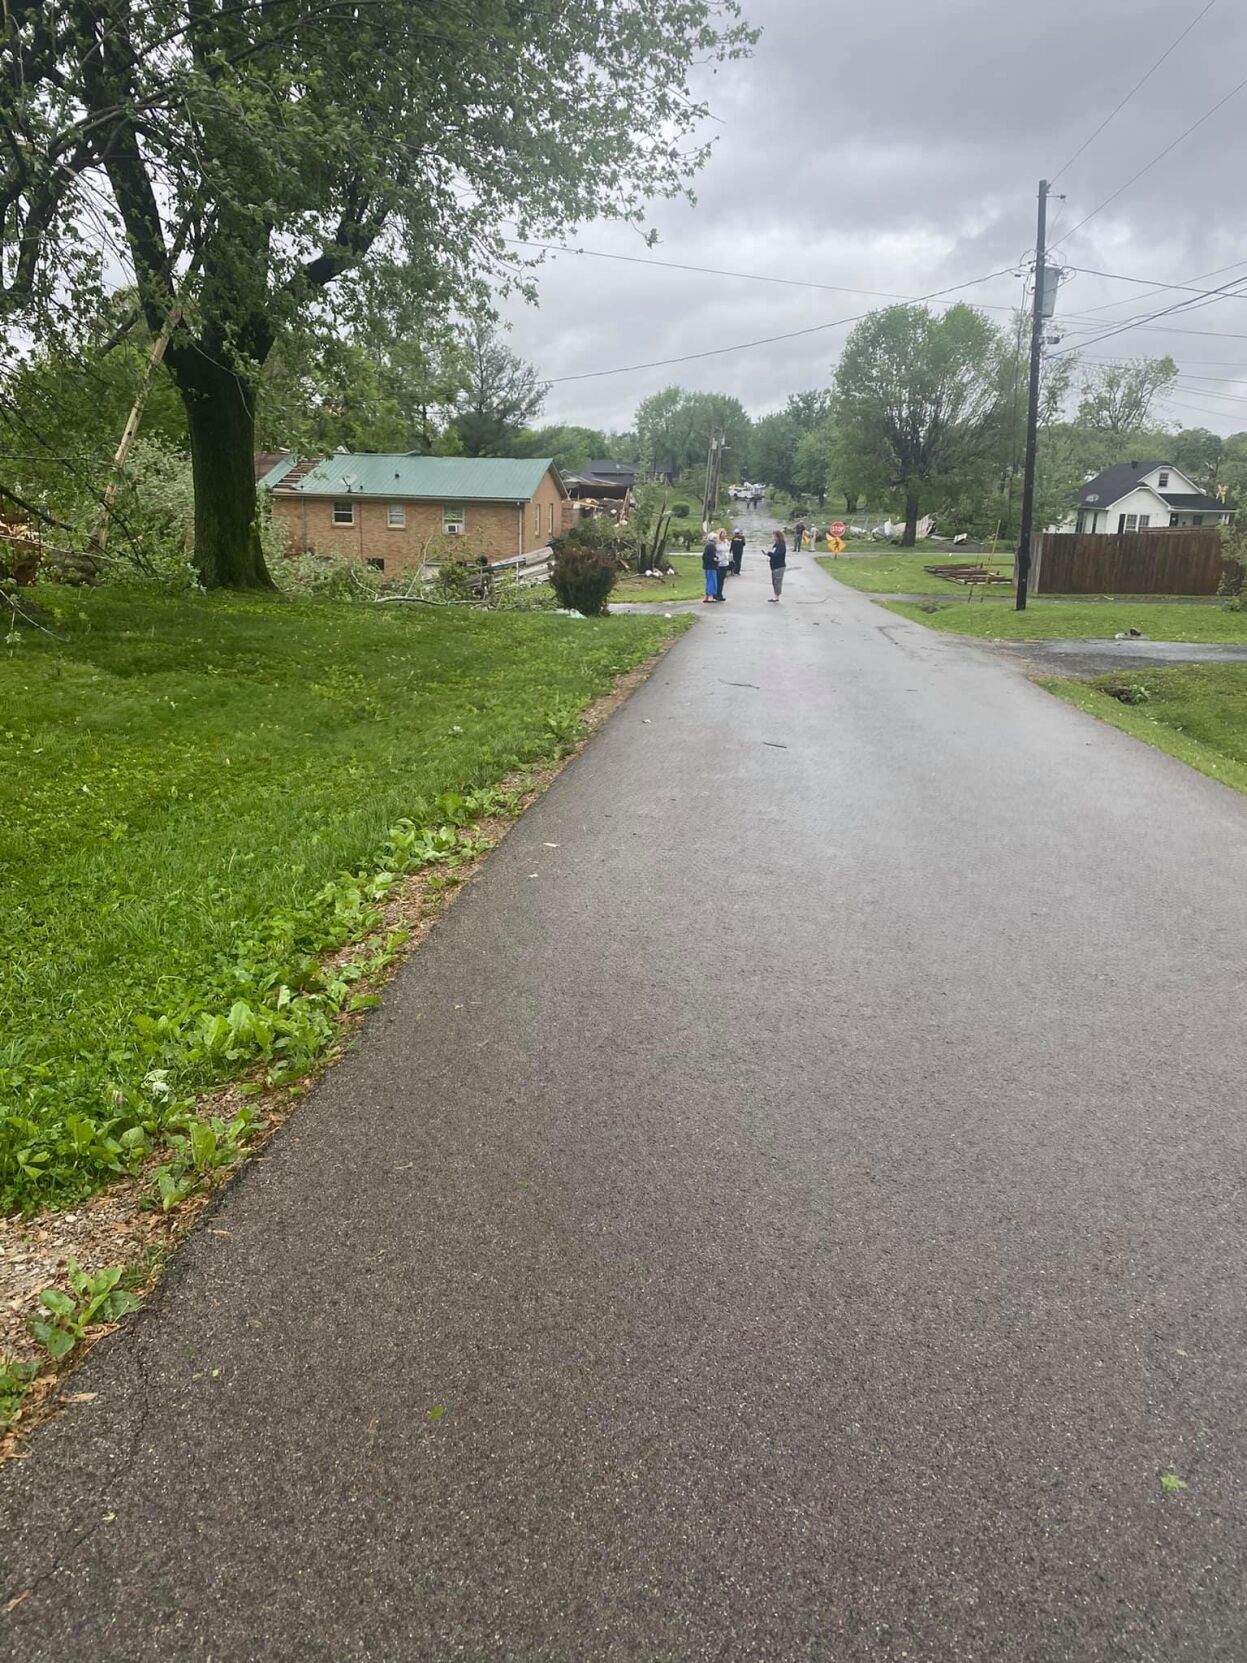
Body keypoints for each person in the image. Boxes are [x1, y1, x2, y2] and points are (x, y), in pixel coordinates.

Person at [767, 528, 787, 602]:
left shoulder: (781, 545)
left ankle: (777, 596)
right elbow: (773, 553)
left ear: (778, 537)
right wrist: (769, 554)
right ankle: (776, 595)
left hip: (779, 566)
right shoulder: (776, 544)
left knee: (777, 581)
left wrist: (769, 553)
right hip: (774, 566)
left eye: (774, 536)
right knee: (774, 581)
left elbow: (777, 554)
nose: (773, 538)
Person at [701, 530, 719, 603]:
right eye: (716, 538)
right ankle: (710, 596)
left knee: (709, 581)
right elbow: (708, 557)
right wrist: (715, 559)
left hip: (707, 566)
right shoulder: (711, 546)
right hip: (711, 566)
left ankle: (707, 596)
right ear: (713, 539)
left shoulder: (708, 546)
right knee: (712, 581)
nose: (717, 540)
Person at [714, 528, 731, 599]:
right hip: (719, 563)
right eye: (723, 533)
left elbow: (728, 550)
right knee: (718, 579)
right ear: (720, 534)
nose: (725, 534)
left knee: (722, 580)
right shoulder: (717, 543)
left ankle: (720, 594)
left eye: (725, 533)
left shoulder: (726, 542)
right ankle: (716, 594)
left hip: (725, 563)